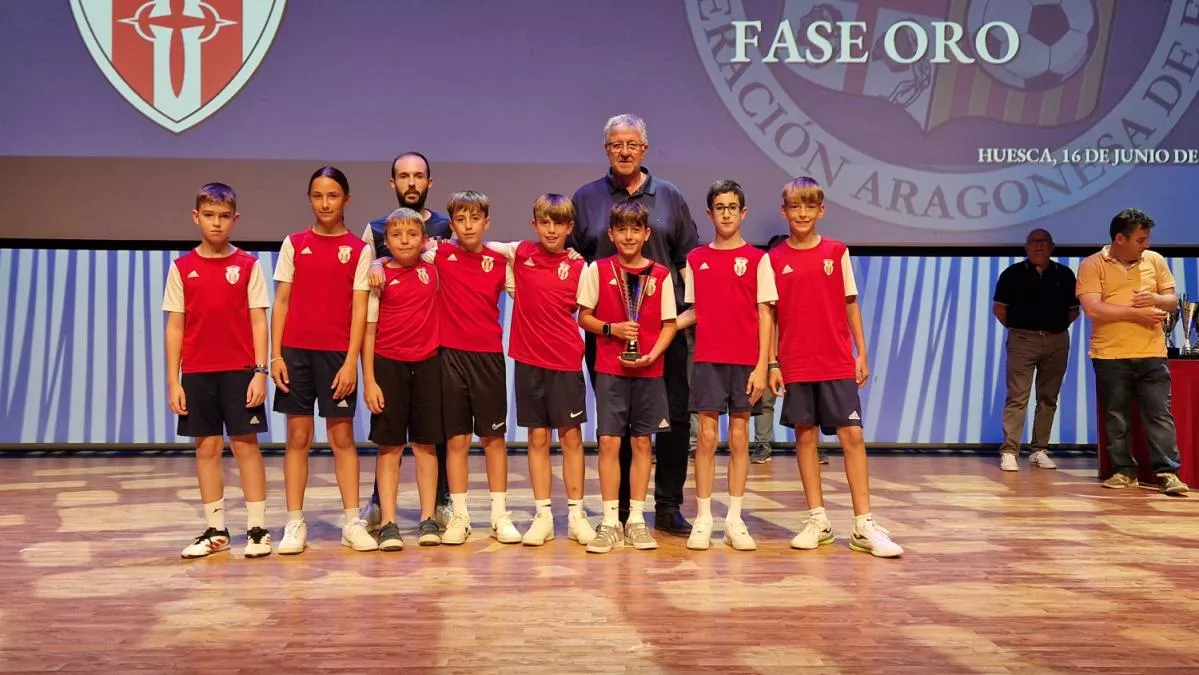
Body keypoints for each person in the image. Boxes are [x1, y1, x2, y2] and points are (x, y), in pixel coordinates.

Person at [568, 113, 698, 537]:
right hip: (608, 333)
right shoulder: (586, 198)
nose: (624, 151)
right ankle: (622, 509)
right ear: (606, 149)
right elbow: (571, 259)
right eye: (616, 145)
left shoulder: (670, 195)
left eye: (632, 144)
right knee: (617, 423)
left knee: (673, 418)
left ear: (644, 149)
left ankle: (668, 506)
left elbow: (688, 259)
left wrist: (689, 314)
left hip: (664, 332)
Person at [768, 176, 903, 558]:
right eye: (795, 206)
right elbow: (770, 315)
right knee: (805, 437)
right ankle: (818, 520)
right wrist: (773, 362)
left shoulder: (836, 251)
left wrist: (862, 353)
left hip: (836, 358)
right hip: (796, 361)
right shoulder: (773, 259)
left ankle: (863, 524)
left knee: (852, 436)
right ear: (784, 211)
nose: (802, 213)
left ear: (821, 210)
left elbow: (850, 302)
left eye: (809, 206)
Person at [270, 166, 377, 554]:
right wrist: (275, 355)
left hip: (336, 356)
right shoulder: (294, 243)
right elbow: (281, 302)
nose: (325, 203)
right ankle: (294, 523)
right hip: (295, 354)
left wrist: (350, 362)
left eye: (333, 195)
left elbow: (360, 309)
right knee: (297, 438)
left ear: (346, 199)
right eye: (318, 196)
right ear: (310, 199)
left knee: (342, 438)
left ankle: (352, 522)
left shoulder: (359, 249)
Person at [163, 182, 272, 559]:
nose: (216, 223)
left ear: (235, 219)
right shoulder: (181, 268)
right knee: (206, 447)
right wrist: (173, 380)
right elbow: (175, 325)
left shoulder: (248, 265)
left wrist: (260, 371)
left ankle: (257, 528)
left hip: (241, 371)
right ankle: (216, 530)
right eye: (209, 215)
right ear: (196, 217)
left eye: (224, 216)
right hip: (197, 373)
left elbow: (258, 320)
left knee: (245, 445)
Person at [484, 195, 596, 546]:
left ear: (569, 227)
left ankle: (576, 516)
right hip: (529, 362)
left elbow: (588, 313)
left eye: (558, 223)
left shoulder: (580, 266)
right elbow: (479, 244)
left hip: (565, 361)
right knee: (537, 438)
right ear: (534, 224)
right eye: (544, 222)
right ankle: (543, 516)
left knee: (571, 438)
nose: (551, 229)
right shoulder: (519, 253)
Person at [676, 180, 776, 551]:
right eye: (720, 207)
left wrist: (763, 365)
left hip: (745, 362)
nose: (727, 213)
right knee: (705, 437)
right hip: (707, 359)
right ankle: (704, 518)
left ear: (743, 212)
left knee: (738, 437)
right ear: (710, 213)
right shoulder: (696, 259)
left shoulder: (758, 259)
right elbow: (695, 311)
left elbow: (765, 314)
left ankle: (734, 520)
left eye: (733, 207)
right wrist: (662, 327)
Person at [577, 201, 679, 553]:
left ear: (647, 233)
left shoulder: (661, 275)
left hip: (650, 369)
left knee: (642, 444)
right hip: (610, 368)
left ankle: (636, 519)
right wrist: (611, 329)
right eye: (622, 230)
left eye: (636, 230)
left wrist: (653, 354)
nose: (629, 236)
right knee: (609, 442)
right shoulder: (598, 269)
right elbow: (583, 317)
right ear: (611, 234)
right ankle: (610, 521)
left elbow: (669, 324)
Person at [361, 152, 453, 532]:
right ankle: (382, 508)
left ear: (429, 182)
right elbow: (365, 278)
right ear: (393, 182)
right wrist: (376, 263)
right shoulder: (375, 229)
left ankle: (439, 504)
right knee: (390, 439)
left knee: (431, 437)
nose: (411, 182)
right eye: (403, 176)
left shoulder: (447, 226)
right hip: (390, 355)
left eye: (418, 176)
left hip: (432, 352)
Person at [420, 191, 519, 545]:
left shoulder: (500, 259)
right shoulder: (437, 255)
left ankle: (499, 515)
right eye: (460, 220)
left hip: (489, 358)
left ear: (486, 222)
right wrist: (375, 265)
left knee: (493, 438)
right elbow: (399, 256)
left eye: (475, 219)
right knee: (457, 439)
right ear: (451, 224)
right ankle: (460, 516)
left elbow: (529, 273)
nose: (468, 226)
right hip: (450, 358)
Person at [1077, 208, 1189, 494]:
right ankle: (1123, 471)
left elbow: (1171, 300)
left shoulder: (1155, 260)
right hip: (1110, 354)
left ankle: (1168, 473)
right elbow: (1093, 308)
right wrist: (1135, 314)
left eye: (1147, 239)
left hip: (1152, 352)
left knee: (1159, 414)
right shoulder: (1092, 264)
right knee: (1117, 416)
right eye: (1140, 240)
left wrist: (1155, 299)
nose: (1146, 244)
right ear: (1120, 238)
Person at [993, 229, 1079, 472]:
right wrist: (1021, 328)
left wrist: (1054, 327)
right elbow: (999, 309)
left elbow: (1073, 310)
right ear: (1026, 247)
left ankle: (1039, 450)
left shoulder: (1065, 274)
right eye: (1034, 242)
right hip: (1022, 340)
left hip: (1057, 341)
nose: (1039, 246)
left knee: (1048, 397)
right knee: (1017, 396)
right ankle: (1010, 451)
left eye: (1043, 242)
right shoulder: (1012, 274)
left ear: (1052, 246)